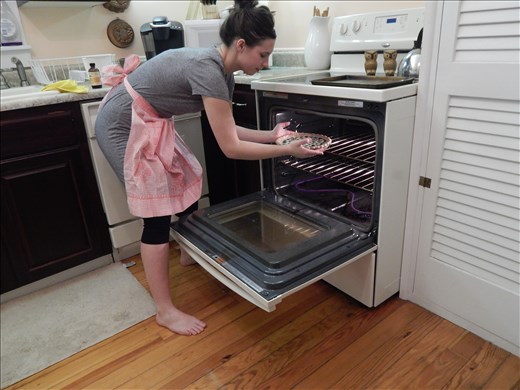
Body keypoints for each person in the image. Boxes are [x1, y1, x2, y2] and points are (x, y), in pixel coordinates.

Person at [95, 0, 325, 336]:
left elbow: (227, 128)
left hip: (152, 120)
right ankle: (165, 310)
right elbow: (230, 148)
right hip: (123, 123)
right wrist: (285, 150)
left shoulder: (224, 73)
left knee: (187, 184)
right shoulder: (207, 69)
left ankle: (189, 253)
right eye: (262, 55)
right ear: (241, 45)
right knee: (157, 216)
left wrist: (273, 135)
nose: (265, 63)